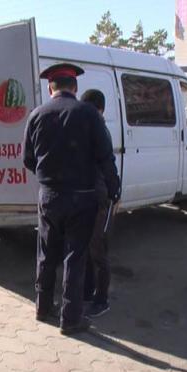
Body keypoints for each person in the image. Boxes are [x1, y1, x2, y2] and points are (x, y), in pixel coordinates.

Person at [23, 63, 120, 335]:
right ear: (74, 87)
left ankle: (43, 308)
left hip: (49, 197)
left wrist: (49, 178)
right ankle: (71, 318)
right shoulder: (89, 114)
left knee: (46, 255)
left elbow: (28, 159)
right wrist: (114, 190)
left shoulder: (36, 115)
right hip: (82, 198)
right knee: (75, 258)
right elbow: (106, 159)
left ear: (50, 87)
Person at [81, 89, 115, 318]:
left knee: (97, 250)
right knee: (86, 247)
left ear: (99, 110)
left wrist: (114, 195)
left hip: (99, 198)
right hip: (87, 196)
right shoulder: (87, 127)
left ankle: (102, 299)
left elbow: (108, 167)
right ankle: (87, 291)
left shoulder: (100, 130)